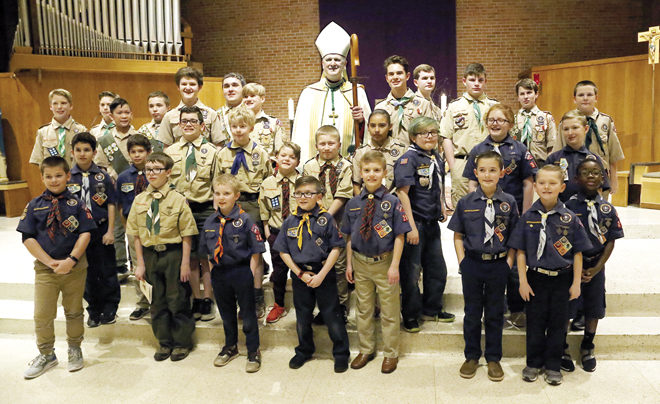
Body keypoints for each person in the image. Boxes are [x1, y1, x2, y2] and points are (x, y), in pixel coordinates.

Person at [508, 164, 592, 386]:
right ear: (535, 186)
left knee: (558, 324)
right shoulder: (527, 217)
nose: (547, 187)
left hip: (562, 279)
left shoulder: (570, 219)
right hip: (536, 278)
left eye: (552, 183)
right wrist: (523, 282)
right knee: (535, 323)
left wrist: (576, 284)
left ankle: (554, 365)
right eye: (542, 183)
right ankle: (533, 363)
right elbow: (521, 251)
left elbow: (577, 254)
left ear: (562, 187)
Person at [18, 156, 96, 379]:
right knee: (42, 314)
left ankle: (74, 348)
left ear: (68, 176)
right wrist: (49, 262)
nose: (54, 180)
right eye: (48, 176)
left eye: (59, 175)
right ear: (42, 177)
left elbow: (86, 233)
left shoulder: (78, 204)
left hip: (75, 268)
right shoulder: (34, 205)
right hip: (46, 270)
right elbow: (27, 237)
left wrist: (71, 259)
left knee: (74, 311)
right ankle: (46, 354)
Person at [463, 104, 538, 328]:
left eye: (501, 120)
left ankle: (517, 310)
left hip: (511, 217)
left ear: (510, 124)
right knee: (490, 265)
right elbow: (471, 182)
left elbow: (528, 183)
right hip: (485, 215)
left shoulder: (520, 149)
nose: (495, 123)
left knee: (513, 265)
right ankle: (495, 312)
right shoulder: (478, 149)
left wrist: (524, 215)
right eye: (491, 119)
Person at [448, 151, 519, 382]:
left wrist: (508, 263)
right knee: (472, 313)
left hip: (499, 264)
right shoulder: (465, 202)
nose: (487, 174)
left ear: (501, 173)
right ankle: (471, 356)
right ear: (475, 173)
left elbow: (515, 238)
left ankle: (493, 358)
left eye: (493, 170)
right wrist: (462, 262)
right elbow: (458, 235)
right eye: (483, 170)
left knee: (495, 313)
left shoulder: (509, 202)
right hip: (473, 264)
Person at [273, 176, 350, 373]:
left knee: (332, 315)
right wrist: (299, 274)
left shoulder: (326, 219)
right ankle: (304, 350)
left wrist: (322, 274)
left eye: (308, 193)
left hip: (323, 273)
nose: (303, 197)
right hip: (301, 275)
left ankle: (341, 353)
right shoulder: (289, 221)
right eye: (299, 193)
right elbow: (283, 251)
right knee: (303, 315)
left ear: (319, 196)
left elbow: (335, 248)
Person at [343, 150, 411, 374]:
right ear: (360, 173)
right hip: (361, 263)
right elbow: (350, 237)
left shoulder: (392, 202)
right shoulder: (353, 203)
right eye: (367, 170)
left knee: (390, 310)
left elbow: (400, 236)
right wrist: (350, 264)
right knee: (363, 309)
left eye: (376, 170)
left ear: (384, 173)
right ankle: (365, 349)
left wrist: (394, 266)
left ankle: (391, 353)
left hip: (385, 263)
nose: (371, 174)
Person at [127, 152, 197, 362]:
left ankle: (182, 342)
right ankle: (164, 342)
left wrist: (185, 264)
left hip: (173, 255)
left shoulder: (178, 199)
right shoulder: (139, 200)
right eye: (148, 169)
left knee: (177, 299)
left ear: (168, 172)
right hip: (149, 255)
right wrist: (140, 263)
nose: (152, 174)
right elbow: (136, 234)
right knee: (156, 302)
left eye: (157, 169)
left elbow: (187, 234)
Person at [562, 159, 624, 373]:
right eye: (585, 172)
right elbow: (562, 240)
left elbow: (610, 241)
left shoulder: (608, 209)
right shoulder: (568, 207)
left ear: (602, 178)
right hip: (571, 267)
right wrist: (574, 267)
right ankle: (562, 346)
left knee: (594, 307)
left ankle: (588, 345)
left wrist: (597, 268)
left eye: (596, 172)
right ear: (576, 178)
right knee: (567, 307)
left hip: (596, 266)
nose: (590, 176)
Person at [200, 174, 266, 373]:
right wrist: (213, 274)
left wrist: (250, 274)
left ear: (236, 195)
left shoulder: (246, 220)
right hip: (219, 273)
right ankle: (230, 347)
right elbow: (208, 253)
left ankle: (253, 350)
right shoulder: (210, 222)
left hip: (241, 272)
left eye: (226, 193)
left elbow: (256, 251)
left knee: (247, 314)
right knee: (226, 314)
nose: (221, 197)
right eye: (217, 193)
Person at [394, 116, 453, 333]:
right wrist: (410, 226)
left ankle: (432, 308)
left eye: (433, 132)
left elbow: (436, 185)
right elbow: (402, 193)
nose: (429, 136)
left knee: (437, 268)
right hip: (415, 221)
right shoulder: (408, 159)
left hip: (431, 222)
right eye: (423, 133)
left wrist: (442, 207)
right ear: (413, 136)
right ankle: (410, 315)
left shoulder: (435, 156)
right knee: (411, 272)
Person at [165, 106, 221, 322]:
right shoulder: (170, 153)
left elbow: (217, 182)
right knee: (189, 257)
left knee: (206, 256)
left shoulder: (212, 152)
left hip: (204, 207)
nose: (188, 124)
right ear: (179, 125)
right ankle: (195, 298)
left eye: (193, 121)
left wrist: (217, 209)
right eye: (184, 121)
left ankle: (208, 298)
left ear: (202, 126)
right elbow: (167, 182)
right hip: (179, 210)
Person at [218, 105, 273, 318]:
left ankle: (256, 296)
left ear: (251, 127)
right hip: (229, 206)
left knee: (255, 252)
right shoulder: (222, 153)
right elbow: (217, 181)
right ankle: (237, 294)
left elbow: (269, 182)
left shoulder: (261, 153)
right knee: (232, 251)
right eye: (234, 126)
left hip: (253, 204)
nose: (238, 130)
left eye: (242, 126)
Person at [292, 21, 370, 163]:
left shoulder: (356, 91)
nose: (332, 63)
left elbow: (370, 132)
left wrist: (362, 121)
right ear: (322, 63)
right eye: (328, 59)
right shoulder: (308, 93)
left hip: (348, 162)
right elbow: (300, 135)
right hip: (315, 164)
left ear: (345, 64)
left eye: (337, 60)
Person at [68, 132, 121, 327]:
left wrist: (110, 231)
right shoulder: (68, 177)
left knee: (107, 270)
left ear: (94, 152)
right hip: (79, 233)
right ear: (72, 152)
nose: (82, 154)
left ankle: (110, 307)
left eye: (87, 150)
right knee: (87, 272)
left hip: (100, 230)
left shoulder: (102, 176)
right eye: (79, 150)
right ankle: (93, 309)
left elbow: (111, 204)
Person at [302, 125, 353, 322]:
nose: (327, 147)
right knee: (321, 263)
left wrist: (327, 217)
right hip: (314, 222)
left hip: (338, 221)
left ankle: (341, 306)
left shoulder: (346, 166)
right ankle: (325, 306)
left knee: (339, 265)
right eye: (322, 144)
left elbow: (343, 194)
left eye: (331, 143)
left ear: (339, 145)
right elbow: (307, 192)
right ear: (316, 145)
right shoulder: (309, 167)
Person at [441, 63, 498, 208]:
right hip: (462, 161)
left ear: (486, 81)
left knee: (491, 205)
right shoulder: (455, 106)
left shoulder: (494, 106)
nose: (477, 84)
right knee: (463, 209)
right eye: (472, 80)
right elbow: (446, 137)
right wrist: (453, 166)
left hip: (489, 162)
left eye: (480, 80)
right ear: (464, 81)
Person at [554, 81, 624, 197]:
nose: (585, 98)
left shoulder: (605, 121)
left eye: (589, 95)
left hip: (598, 178)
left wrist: (614, 179)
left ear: (596, 97)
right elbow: (558, 151)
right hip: (572, 177)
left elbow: (613, 153)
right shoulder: (566, 123)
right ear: (574, 99)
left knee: (598, 210)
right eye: (581, 95)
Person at [259, 142, 301, 323]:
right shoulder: (268, 183)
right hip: (276, 232)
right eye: (283, 155)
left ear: (298, 161)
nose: (287, 159)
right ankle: (279, 304)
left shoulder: (303, 182)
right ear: (276, 156)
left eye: (292, 157)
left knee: (299, 267)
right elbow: (264, 209)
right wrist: (267, 231)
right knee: (279, 269)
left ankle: (302, 304)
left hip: (299, 232)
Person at [117, 134, 153, 321]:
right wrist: (128, 228)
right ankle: (143, 302)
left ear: (149, 152)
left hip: (154, 226)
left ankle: (158, 301)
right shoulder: (123, 177)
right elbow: (122, 206)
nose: (137, 155)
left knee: (154, 263)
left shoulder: (155, 173)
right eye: (133, 152)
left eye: (141, 151)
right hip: (134, 227)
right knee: (138, 265)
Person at [546, 110, 610, 202]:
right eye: (566, 129)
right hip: (560, 209)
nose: (570, 133)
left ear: (586, 129)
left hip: (586, 210)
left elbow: (599, 189)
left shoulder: (593, 160)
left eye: (575, 127)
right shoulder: (553, 159)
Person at [374, 56, 434, 147]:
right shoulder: (380, 107)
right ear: (387, 78)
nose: (395, 77)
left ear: (407, 76)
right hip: (388, 158)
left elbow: (430, 136)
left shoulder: (422, 104)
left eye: (399, 73)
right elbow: (375, 139)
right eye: (391, 74)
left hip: (415, 158)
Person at [157, 67, 225, 147]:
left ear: (200, 87)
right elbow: (166, 148)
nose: (188, 88)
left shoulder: (211, 114)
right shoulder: (169, 116)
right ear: (178, 87)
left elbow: (218, 146)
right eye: (184, 84)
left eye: (192, 84)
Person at [351, 109, 406, 195]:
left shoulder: (402, 150)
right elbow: (356, 185)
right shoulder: (361, 152)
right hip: (367, 201)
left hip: (394, 200)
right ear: (368, 127)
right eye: (373, 126)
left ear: (390, 127)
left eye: (382, 125)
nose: (377, 130)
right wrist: (361, 204)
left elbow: (404, 184)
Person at [30, 89, 87, 168]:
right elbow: (39, 162)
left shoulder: (82, 130)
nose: (59, 107)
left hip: (76, 178)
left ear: (71, 106)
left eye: (63, 103)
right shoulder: (43, 132)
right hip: (53, 179)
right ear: (50, 107)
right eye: (55, 103)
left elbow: (88, 160)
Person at [511, 78, 556, 166]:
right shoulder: (512, 120)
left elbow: (552, 147)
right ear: (518, 97)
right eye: (522, 94)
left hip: (540, 164)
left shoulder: (546, 118)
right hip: (518, 165)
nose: (526, 97)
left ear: (536, 94)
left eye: (529, 92)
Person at [243, 82, 288, 158]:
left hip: (267, 167)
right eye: (245, 96)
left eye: (253, 96)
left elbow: (280, 152)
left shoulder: (273, 123)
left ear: (262, 99)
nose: (248, 99)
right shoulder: (238, 123)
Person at [217, 72, 246, 141]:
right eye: (226, 86)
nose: (230, 89)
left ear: (243, 88)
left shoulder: (252, 113)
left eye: (235, 85)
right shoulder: (215, 115)